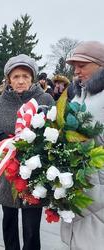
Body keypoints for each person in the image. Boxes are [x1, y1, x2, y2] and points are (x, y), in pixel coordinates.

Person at [0, 54, 54, 250]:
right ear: (8, 79)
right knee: (9, 225)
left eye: (25, 76)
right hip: (7, 176)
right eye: (16, 76)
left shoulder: (45, 99)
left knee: (31, 230)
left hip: (35, 177)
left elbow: (57, 134)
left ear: (33, 78)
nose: (21, 80)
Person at [60, 41, 104, 250]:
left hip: (98, 189)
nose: (76, 71)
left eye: (82, 65)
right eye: (74, 66)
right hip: (78, 185)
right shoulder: (78, 94)